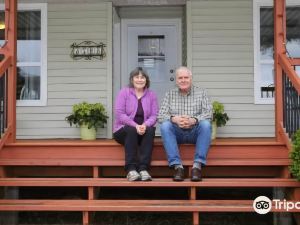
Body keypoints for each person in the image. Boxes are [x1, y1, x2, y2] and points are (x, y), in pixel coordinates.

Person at [158, 66, 212, 182]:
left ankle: (197, 166)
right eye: (180, 78)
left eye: (186, 77)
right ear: (176, 80)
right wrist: (174, 119)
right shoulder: (170, 94)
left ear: (191, 78)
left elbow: (209, 114)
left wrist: (194, 120)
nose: (183, 80)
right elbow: (161, 116)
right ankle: (177, 167)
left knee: (206, 125)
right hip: (177, 133)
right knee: (165, 125)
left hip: (195, 133)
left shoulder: (201, 93)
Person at [113, 67, 158, 181]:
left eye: (142, 77)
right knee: (131, 130)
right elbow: (120, 114)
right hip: (123, 131)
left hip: (142, 131)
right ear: (132, 80)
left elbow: (154, 115)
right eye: (136, 77)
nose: (139, 80)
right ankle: (131, 169)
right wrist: (135, 125)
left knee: (151, 130)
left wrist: (145, 125)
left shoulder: (151, 95)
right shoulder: (124, 92)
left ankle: (143, 169)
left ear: (146, 80)